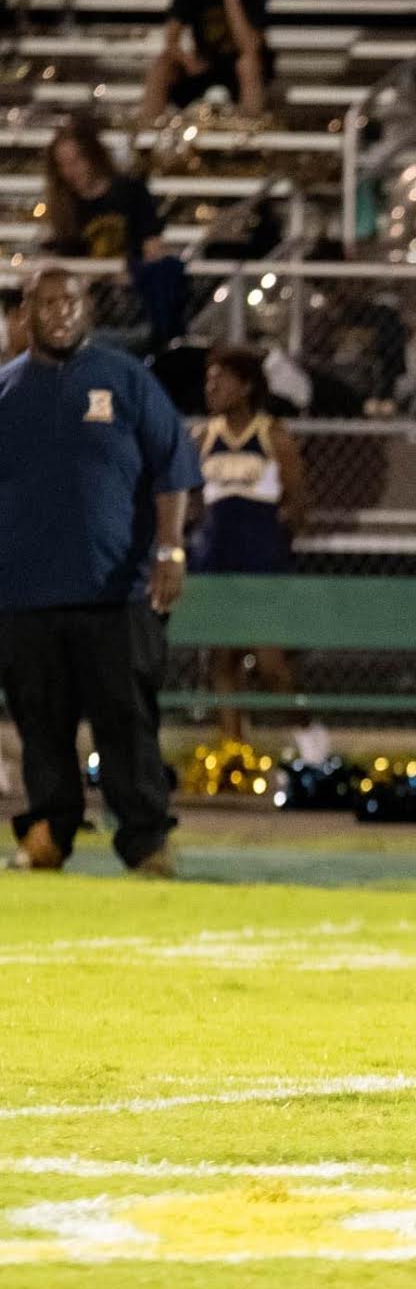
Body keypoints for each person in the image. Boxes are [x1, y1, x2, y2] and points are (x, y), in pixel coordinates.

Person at [0, 268, 200, 874]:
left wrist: (170, 550)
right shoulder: (6, 390)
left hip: (117, 588)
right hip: (25, 592)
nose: (60, 313)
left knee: (127, 718)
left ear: (89, 309)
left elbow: (173, 469)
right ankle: (48, 834)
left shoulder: (127, 379)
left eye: (72, 301)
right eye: (47, 302)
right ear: (26, 311)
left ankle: (145, 841)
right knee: (40, 721)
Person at [190, 344, 326, 762]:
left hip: (261, 559)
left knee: (271, 662)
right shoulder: (201, 436)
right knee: (223, 658)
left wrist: (277, 541)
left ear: (247, 386)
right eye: (209, 380)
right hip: (216, 558)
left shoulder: (273, 435)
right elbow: (191, 498)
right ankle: (235, 754)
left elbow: (298, 500)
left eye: (222, 380)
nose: (212, 388)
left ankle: (310, 739)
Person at [43, 117, 163, 263]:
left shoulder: (131, 191)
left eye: (76, 161)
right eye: (63, 165)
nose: (70, 171)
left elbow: (152, 246)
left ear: (93, 156)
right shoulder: (65, 207)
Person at [139, 0, 272, 121]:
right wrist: (189, 62)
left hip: (238, 71)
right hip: (204, 65)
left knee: (248, 64)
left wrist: (232, 2)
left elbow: (249, 47)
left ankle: (249, 128)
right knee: (162, 64)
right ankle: (149, 128)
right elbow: (171, 40)